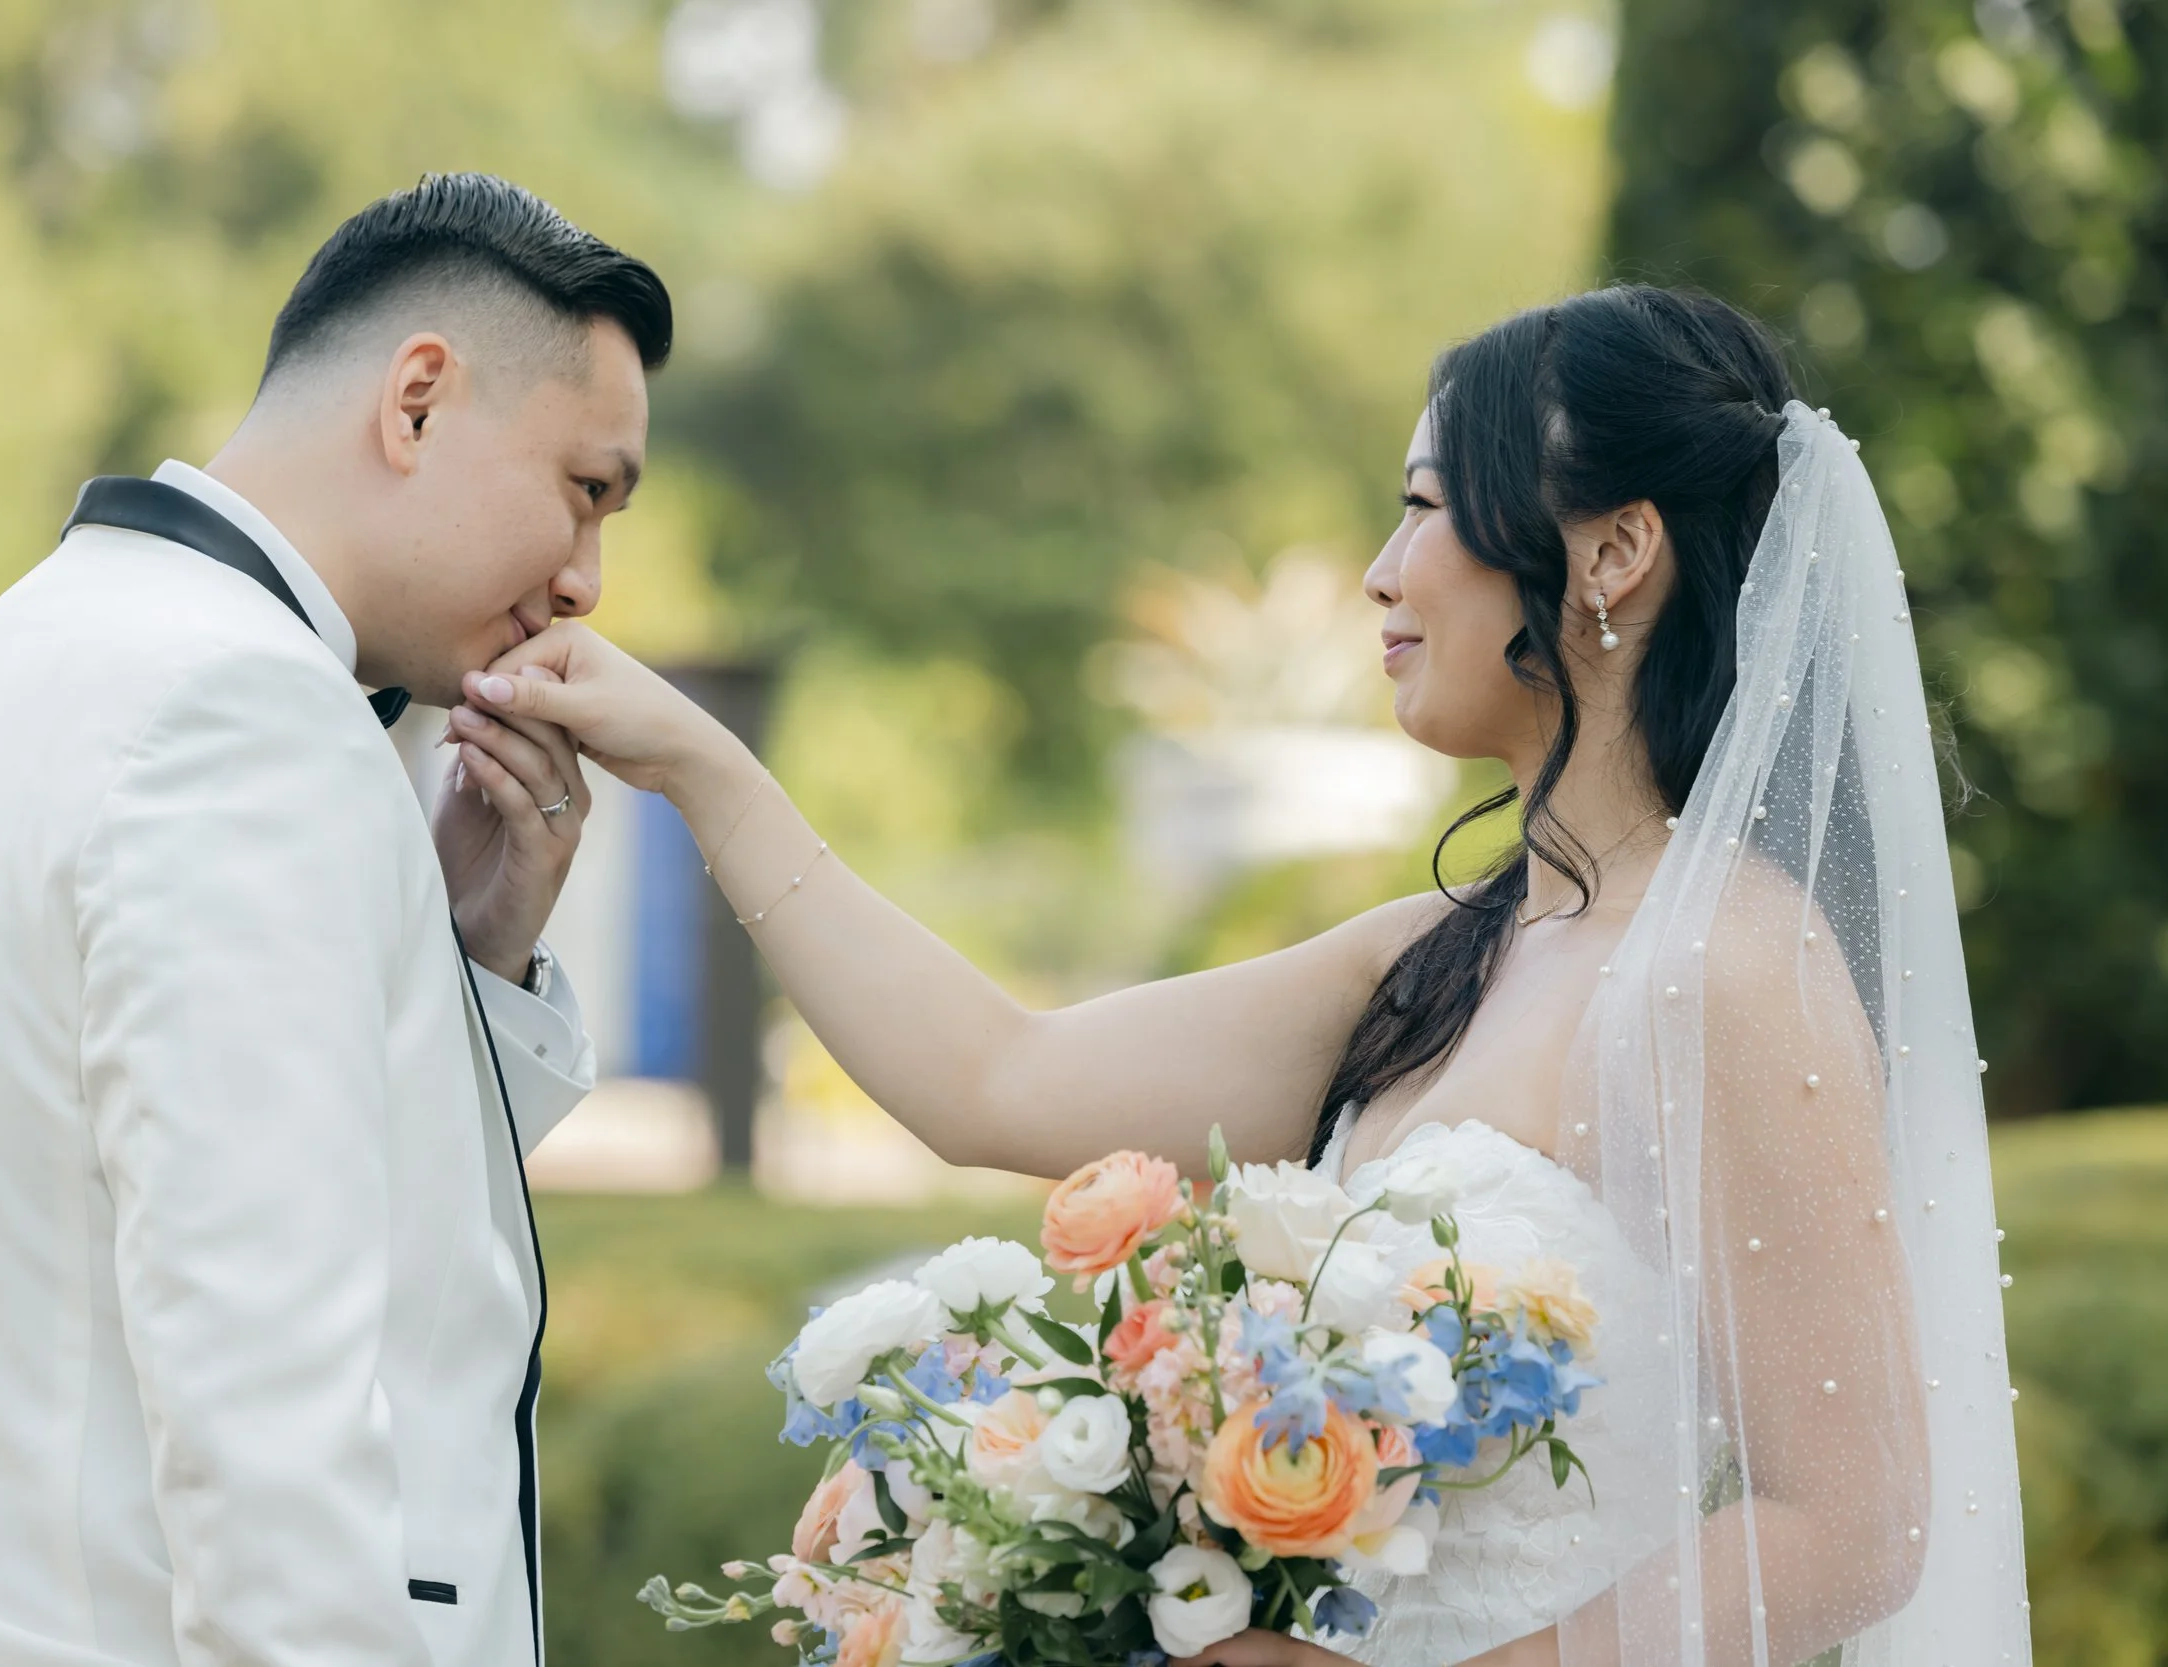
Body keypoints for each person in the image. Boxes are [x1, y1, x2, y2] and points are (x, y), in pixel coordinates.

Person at [458, 286, 2029, 1666]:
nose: (1378, 569)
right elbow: (993, 1076)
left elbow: (1856, 1514)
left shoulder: (1730, 963)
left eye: (1426, 503)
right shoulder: (1449, 952)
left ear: (1614, 552)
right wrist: (692, 760)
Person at [0, 173, 664, 1667]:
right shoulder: (242, 716)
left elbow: (147, 1187)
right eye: (586, 489)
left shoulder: (11, 649)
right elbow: (266, 1427)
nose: (583, 583)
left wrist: (463, 955)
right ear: (417, 398)